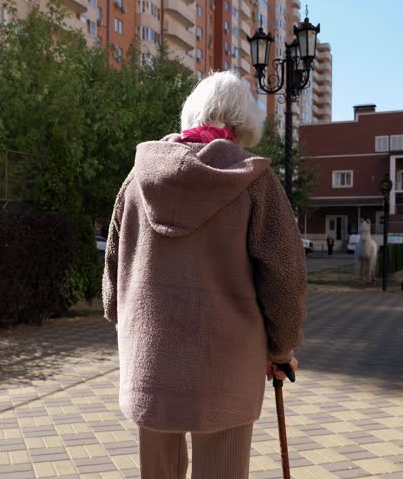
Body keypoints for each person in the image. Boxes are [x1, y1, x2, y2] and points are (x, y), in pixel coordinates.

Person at [102, 71, 306, 479]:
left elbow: (111, 279)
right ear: (241, 122)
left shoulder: (137, 179)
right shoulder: (256, 181)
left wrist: (133, 329)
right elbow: (285, 278)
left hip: (151, 364)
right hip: (226, 365)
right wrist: (280, 350)